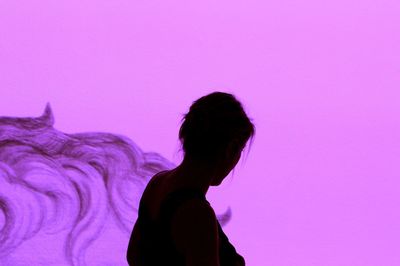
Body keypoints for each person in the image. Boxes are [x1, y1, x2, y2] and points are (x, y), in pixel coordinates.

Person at [127, 91, 256, 266]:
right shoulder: (197, 214)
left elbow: (134, 256)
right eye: (239, 150)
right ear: (230, 148)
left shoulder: (157, 183)